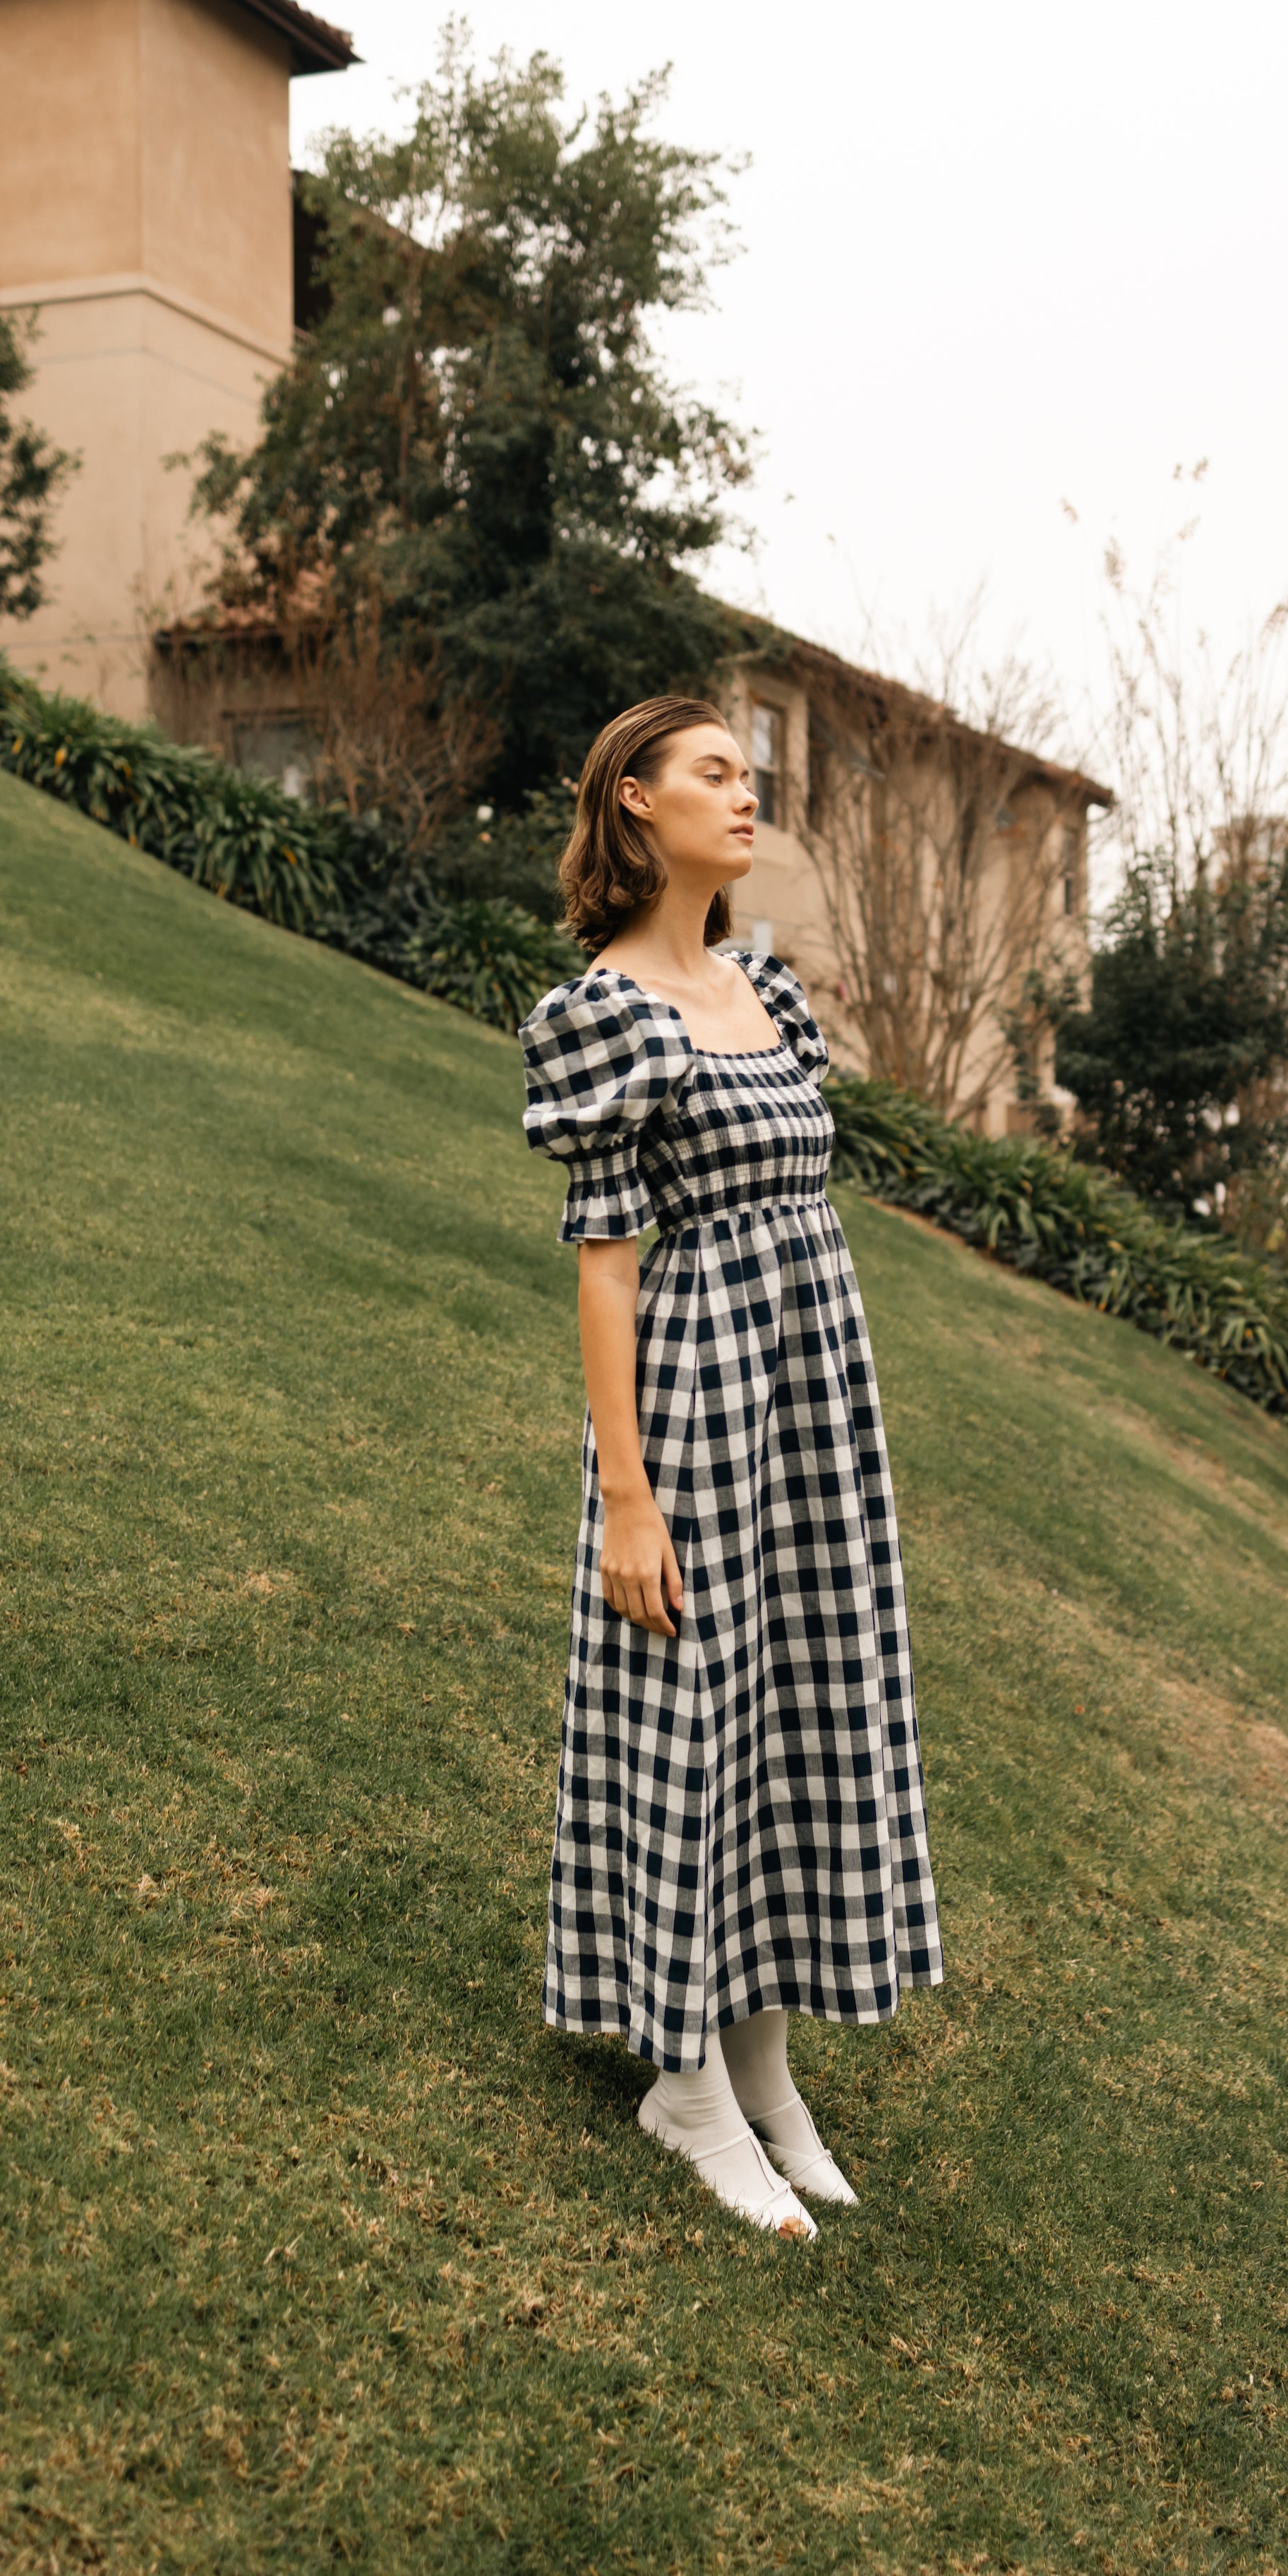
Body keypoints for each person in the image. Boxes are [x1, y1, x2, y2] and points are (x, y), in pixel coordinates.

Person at [519, 696, 944, 2239]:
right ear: (634, 800)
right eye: (714, 774)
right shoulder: (606, 1013)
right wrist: (625, 1492)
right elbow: (606, 1268)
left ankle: (761, 2064)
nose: (744, 797)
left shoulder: (759, 981)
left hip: (808, 1397)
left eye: (749, 777)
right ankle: (680, 2077)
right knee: (691, 1707)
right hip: (696, 1394)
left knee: (792, 1698)